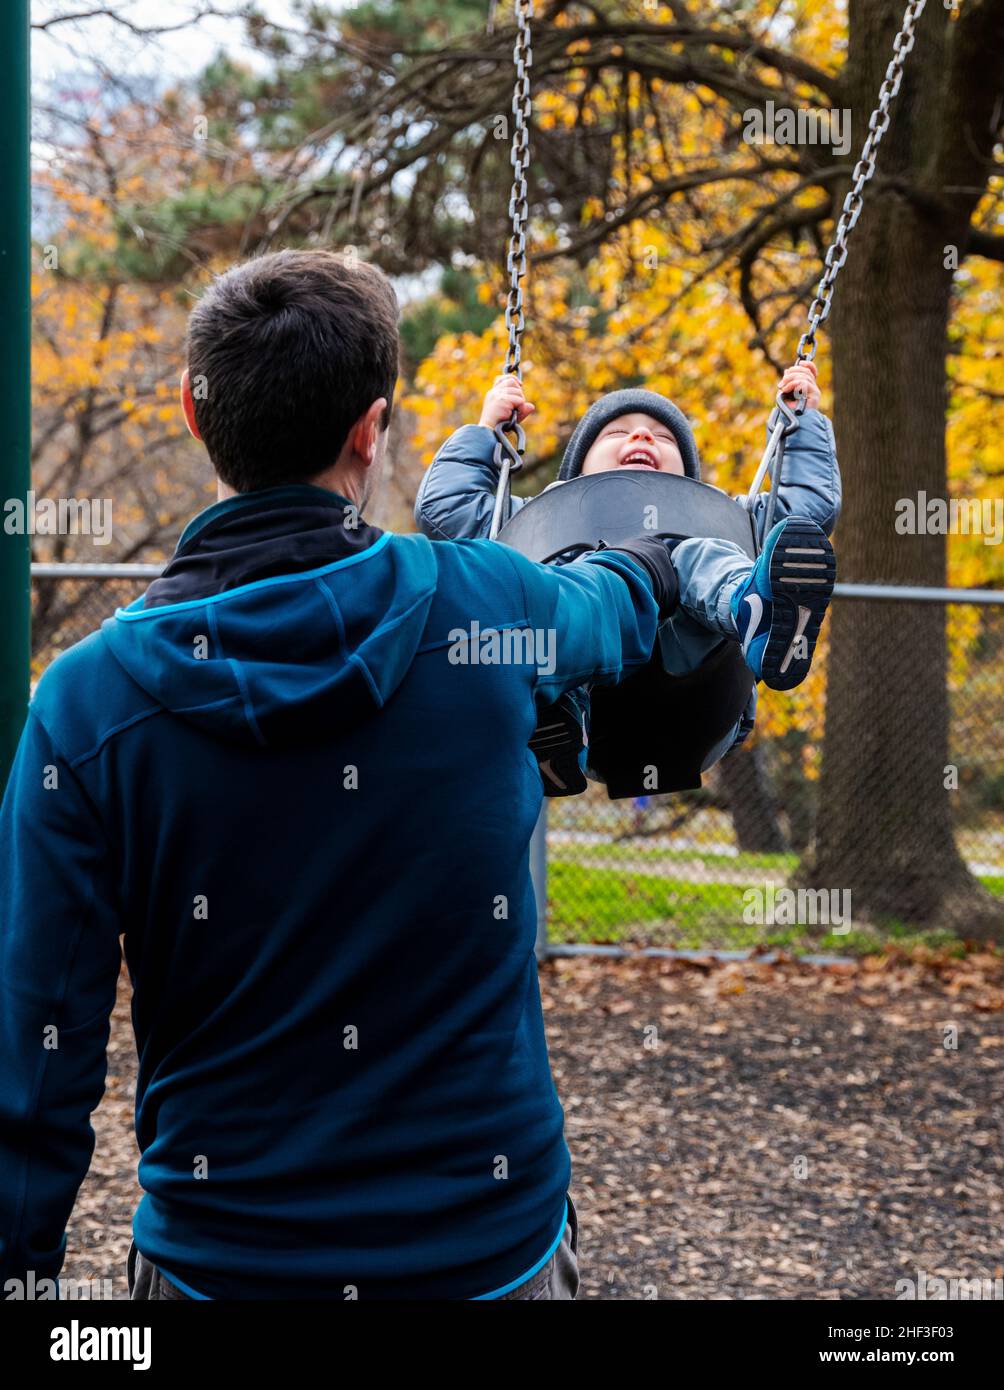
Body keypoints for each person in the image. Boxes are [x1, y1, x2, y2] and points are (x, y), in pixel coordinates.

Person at [0, 248, 686, 1301]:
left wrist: (26, 1268)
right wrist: (652, 552)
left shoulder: (87, 706)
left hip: (221, 1264)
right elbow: (610, 613)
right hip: (487, 1252)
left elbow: (41, 1042)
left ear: (192, 409)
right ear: (371, 430)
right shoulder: (489, 607)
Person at [415, 370, 841, 793]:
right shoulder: (540, 516)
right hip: (590, 689)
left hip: (700, 684)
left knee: (694, 555)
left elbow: (803, 515)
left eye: (664, 437)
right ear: (578, 468)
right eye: (617, 432)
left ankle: (752, 610)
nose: (642, 438)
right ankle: (555, 718)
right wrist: (488, 431)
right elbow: (446, 512)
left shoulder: (726, 518)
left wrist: (802, 425)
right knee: (561, 582)